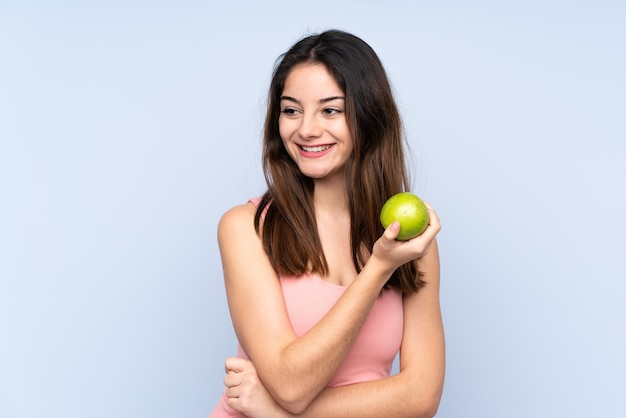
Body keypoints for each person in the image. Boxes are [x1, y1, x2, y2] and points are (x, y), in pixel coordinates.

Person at [209, 29, 444, 418]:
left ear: (367, 116)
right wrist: (379, 268)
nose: (306, 129)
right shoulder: (245, 227)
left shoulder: (414, 240)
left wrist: (276, 412)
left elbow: (421, 396)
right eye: (291, 110)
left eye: (330, 110)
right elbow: (291, 384)